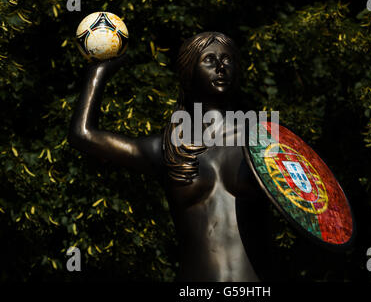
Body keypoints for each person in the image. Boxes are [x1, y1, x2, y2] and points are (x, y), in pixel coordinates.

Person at [69, 32, 273, 281]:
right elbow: (84, 135)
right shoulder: (169, 147)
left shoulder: (264, 142)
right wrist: (98, 72)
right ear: (189, 72)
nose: (221, 67)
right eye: (209, 60)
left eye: (227, 59)